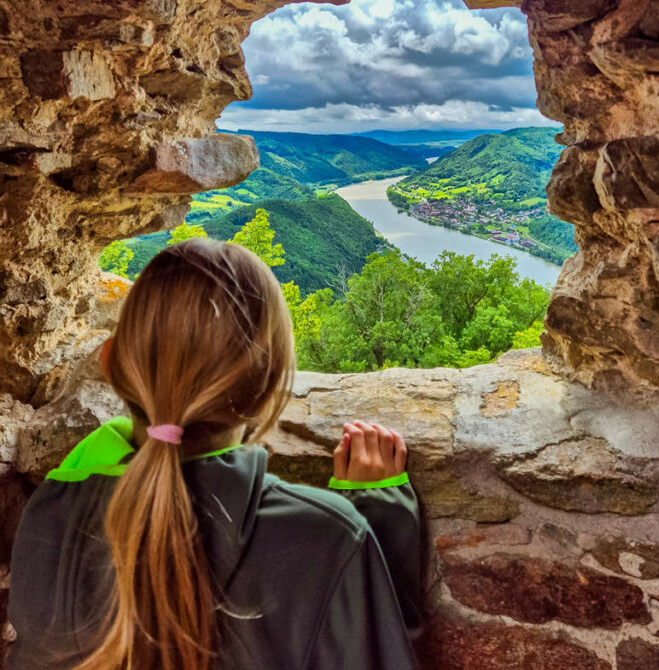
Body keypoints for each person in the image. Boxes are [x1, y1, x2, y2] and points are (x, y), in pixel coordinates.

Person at [8, 239, 423, 669]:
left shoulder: (50, 516)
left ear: (110, 364)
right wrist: (380, 517)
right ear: (269, 391)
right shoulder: (326, 537)